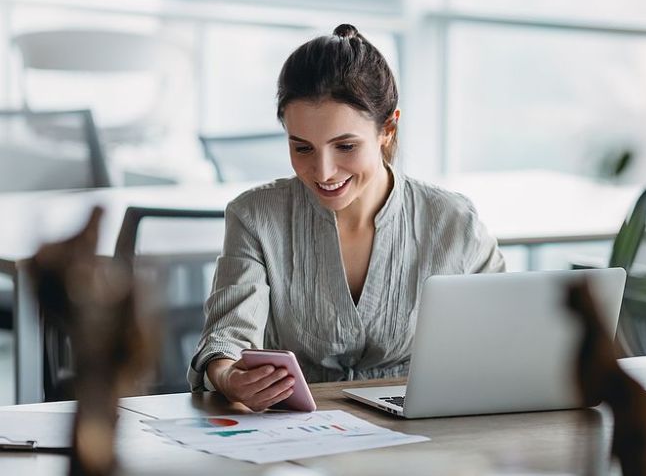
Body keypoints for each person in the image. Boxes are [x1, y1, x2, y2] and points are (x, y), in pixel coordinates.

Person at [188, 24, 505, 411]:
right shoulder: (256, 216)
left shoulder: (454, 222)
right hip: (296, 435)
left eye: (345, 146)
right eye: (302, 148)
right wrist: (228, 376)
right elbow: (226, 338)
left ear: (387, 129)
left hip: (425, 432)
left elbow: (505, 339)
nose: (323, 172)